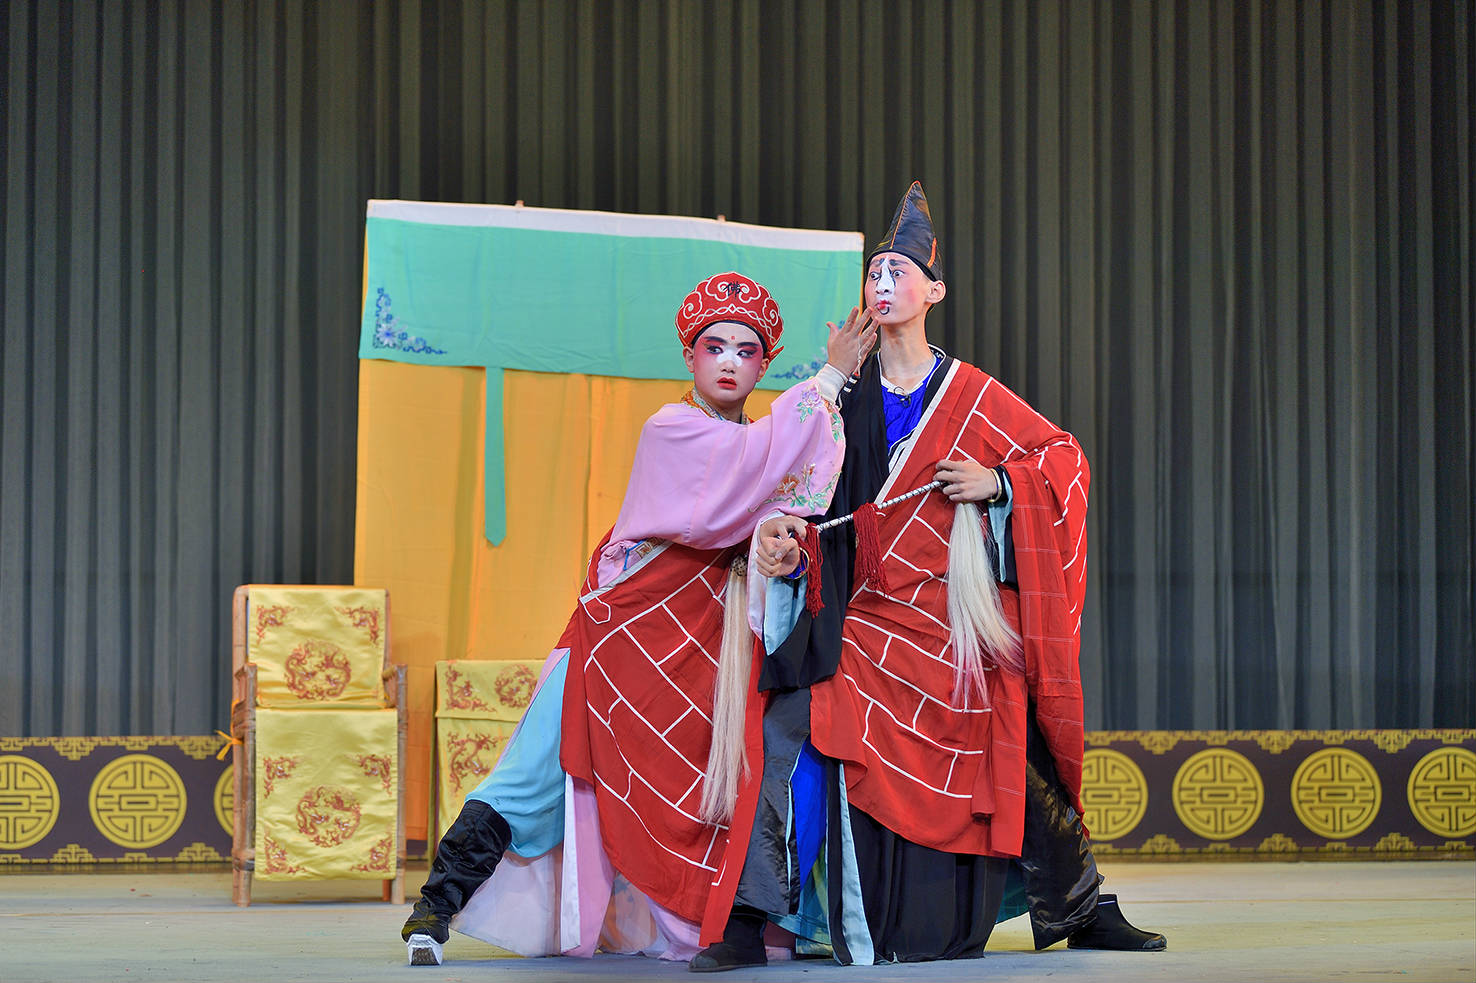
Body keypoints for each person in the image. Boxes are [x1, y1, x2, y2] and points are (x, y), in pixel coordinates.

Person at [692, 184, 1165, 970]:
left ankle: (1082, 905)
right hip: (861, 613)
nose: (882, 282)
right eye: (873, 271)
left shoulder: (973, 394)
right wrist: (779, 544)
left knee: (1008, 710)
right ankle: (749, 916)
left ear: (933, 292)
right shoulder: (842, 395)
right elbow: (796, 499)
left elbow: (1064, 462)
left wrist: (1001, 482)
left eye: (898, 271)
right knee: (789, 723)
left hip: (951, 619)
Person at [399, 271, 875, 966]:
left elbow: (777, 510)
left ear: (763, 365)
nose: (729, 362)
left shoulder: (765, 449)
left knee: (694, 789)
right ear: (689, 356)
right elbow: (736, 486)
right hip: (620, 632)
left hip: (698, 648)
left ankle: (733, 916)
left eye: (746, 351)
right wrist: (829, 380)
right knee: (535, 769)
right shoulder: (673, 430)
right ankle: (435, 907)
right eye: (714, 347)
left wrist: (782, 549)